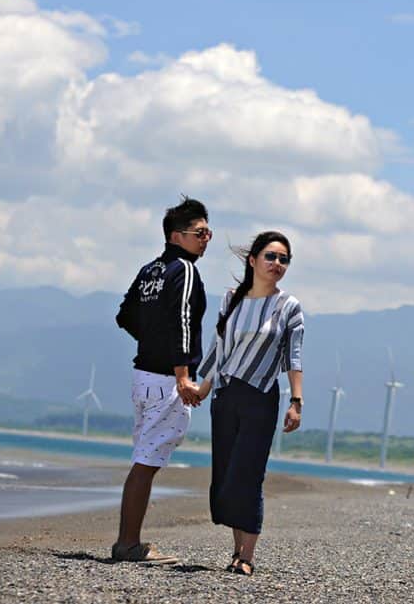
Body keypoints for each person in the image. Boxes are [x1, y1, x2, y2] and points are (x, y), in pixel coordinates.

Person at [198, 230, 304, 576]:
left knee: (249, 474)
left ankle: (247, 556)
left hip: (260, 396)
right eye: (271, 256)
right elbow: (218, 347)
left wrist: (296, 401)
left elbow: (293, 356)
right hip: (225, 394)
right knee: (227, 475)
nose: (277, 263)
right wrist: (204, 386)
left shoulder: (289, 307)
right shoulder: (231, 299)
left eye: (284, 259)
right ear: (253, 260)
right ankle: (235, 551)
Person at [113, 196, 211, 564]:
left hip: (142, 376)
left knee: (144, 458)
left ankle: (128, 541)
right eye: (200, 233)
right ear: (176, 236)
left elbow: (124, 316)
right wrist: (182, 375)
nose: (205, 239)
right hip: (166, 380)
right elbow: (182, 320)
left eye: (208, 233)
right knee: (146, 462)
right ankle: (128, 544)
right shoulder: (184, 270)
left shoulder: (149, 270)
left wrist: (152, 341)